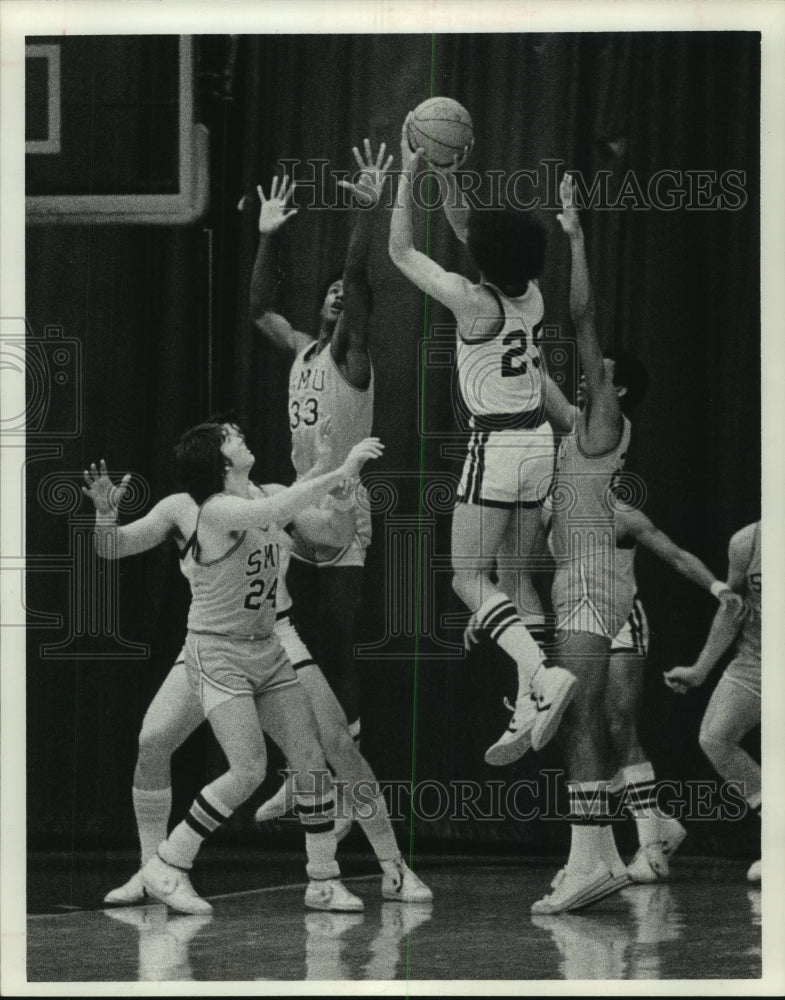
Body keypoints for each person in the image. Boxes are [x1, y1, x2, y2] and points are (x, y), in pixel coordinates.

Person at [86, 427, 431, 909]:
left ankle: (347, 875)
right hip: (214, 645)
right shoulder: (198, 507)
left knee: (322, 751)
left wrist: (347, 498)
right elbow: (113, 547)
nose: (243, 435)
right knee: (161, 744)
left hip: (270, 640)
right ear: (218, 461)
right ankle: (157, 868)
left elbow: (331, 537)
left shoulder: (272, 495)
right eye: (230, 436)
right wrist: (105, 516)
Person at [388, 113, 576, 766]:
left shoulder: (474, 303)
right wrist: (450, 175)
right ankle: (530, 694)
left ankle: (542, 674)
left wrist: (411, 172)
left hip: (493, 448)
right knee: (515, 579)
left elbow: (401, 253)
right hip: (538, 445)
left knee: (466, 577)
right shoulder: (532, 297)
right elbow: (471, 231)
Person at [535, 364, 745, 882]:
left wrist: (719, 588)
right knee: (587, 730)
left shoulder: (617, 510)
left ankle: (650, 844)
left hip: (623, 620)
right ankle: (642, 833)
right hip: (579, 617)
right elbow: (554, 399)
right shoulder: (551, 506)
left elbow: (673, 554)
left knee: (617, 724)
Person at [248, 140, 391, 752]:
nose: (337, 291)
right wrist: (267, 236)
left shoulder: (351, 356)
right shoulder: (305, 347)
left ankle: (347, 757)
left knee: (332, 647)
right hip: (302, 505)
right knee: (283, 639)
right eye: (329, 288)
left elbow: (357, 274)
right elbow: (260, 311)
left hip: (339, 516)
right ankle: (302, 763)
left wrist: (366, 209)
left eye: (345, 292)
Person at [530, 172, 644, 914]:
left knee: (574, 715)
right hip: (593, 576)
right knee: (587, 718)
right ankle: (597, 858)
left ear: (616, 390)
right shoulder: (582, 427)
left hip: (590, 576)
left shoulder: (603, 420)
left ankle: (587, 861)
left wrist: (573, 234)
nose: (588, 368)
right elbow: (540, 379)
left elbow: (581, 315)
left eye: (598, 372)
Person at [664, 521, 761, 882]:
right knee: (715, 737)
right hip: (757, 661)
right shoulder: (748, 541)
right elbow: (732, 606)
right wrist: (700, 669)